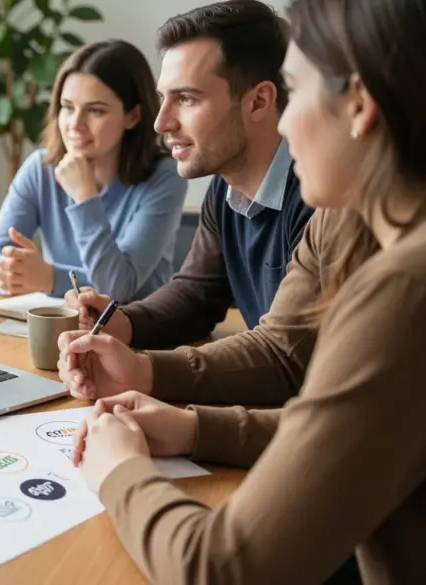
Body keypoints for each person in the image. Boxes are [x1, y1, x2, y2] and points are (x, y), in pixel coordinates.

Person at [65, 0, 426, 582]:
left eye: (296, 91)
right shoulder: (361, 225)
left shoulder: (404, 285)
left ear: (359, 104)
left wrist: (118, 469)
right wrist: (192, 424)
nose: (284, 123)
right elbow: (305, 381)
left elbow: (221, 569)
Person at [65, 0, 315, 349]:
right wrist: (121, 322)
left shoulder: (318, 195)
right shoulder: (225, 188)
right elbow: (196, 296)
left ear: (258, 101)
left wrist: (145, 370)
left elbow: (285, 353)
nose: (161, 123)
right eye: (163, 98)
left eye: (185, 99)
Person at [0, 40, 187, 302]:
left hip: (141, 332)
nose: (75, 124)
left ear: (132, 116)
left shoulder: (164, 176)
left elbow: (119, 286)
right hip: (62, 325)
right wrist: (9, 272)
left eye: (95, 110)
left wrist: (85, 197)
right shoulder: (41, 169)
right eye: (67, 107)